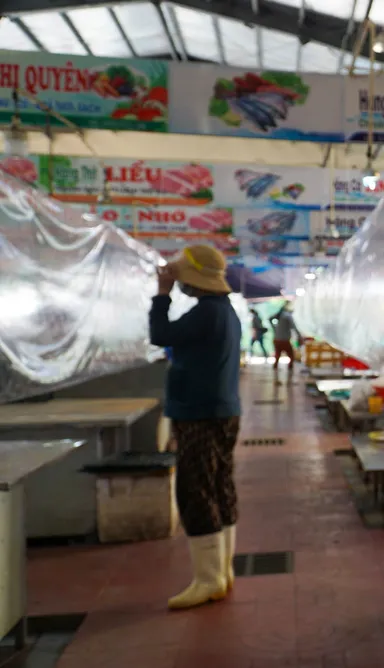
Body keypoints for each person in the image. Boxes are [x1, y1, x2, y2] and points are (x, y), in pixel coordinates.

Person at [149, 245, 242, 611]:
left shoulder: (206, 312)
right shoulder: (224, 311)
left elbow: (160, 334)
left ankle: (208, 579)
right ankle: (222, 572)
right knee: (219, 486)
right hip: (220, 409)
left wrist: (162, 294)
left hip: (200, 412)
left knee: (196, 491)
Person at [270, 301, 299, 385]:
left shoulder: (280, 315)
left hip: (276, 339)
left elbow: (270, 319)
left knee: (277, 355)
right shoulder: (287, 316)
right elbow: (294, 327)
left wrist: (274, 328)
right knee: (291, 356)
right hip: (284, 340)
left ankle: (275, 371)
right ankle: (290, 372)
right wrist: (299, 337)